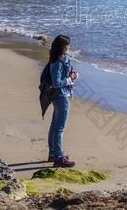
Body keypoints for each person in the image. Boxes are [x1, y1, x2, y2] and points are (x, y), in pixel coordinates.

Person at [47, 35, 78, 167]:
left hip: (59, 96)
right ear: (63, 47)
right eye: (68, 45)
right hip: (61, 96)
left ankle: (53, 154)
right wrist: (71, 78)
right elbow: (57, 82)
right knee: (59, 128)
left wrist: (71, 76)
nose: (69, 47)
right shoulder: (58, 62)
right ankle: (58, 158)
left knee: (55, 126)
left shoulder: (60, 59)